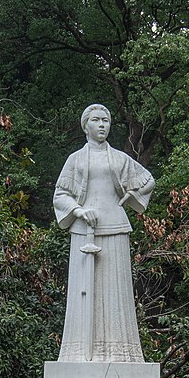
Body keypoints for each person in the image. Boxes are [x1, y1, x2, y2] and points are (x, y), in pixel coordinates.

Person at [52, 104, 154, 363]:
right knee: (83, 292)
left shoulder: (119, 158)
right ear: (85, 125)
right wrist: (78, 210)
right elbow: (60, 195)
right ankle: (77, 354)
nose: (102, 125)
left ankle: (121, 353)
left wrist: (131, 195)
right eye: (96, 120)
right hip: (84, 231)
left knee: (116, 292)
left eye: (106, 120)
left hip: (116, 229)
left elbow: (148, 180)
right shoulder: (75, 160)